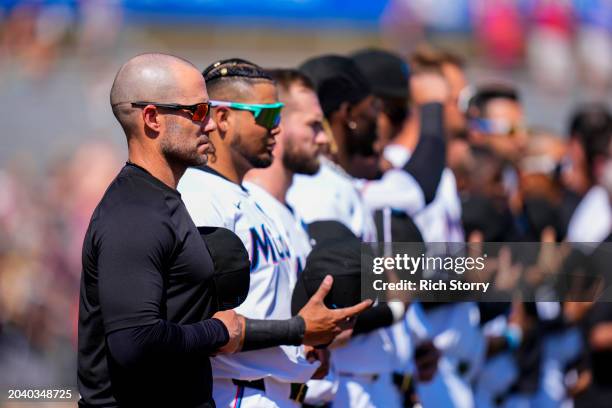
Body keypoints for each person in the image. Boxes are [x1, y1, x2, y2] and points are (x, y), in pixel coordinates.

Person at [178, 58, 371, 408]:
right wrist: (299, 331)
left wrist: (304, 343)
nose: (277, 130)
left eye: (280, 116)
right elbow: (201, 325)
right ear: (221, 118)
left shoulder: (254, 201)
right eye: (267, 116)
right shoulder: (199, 197)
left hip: (277, 392)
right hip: (235, 392)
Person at [77, 53, 243, 408]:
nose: (210, 125)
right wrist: (218, 330)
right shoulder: (134, 214)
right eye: (198, 111)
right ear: (152, 118)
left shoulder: (159, 199)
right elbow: (135, 341)